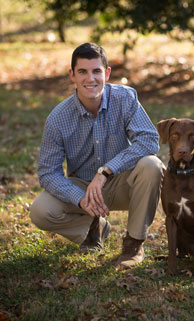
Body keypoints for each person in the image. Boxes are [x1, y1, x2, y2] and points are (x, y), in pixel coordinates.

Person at [30, 43, 164, 270]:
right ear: (72, 74)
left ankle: (133, 244)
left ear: (107, 73)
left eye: (96, 71)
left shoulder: (125, 98)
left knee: (153, 165)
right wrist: (79, 197)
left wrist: (106, 170)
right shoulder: (58, 118)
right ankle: (92, 228)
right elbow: (47, 173)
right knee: (40, 210)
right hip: (84, 190)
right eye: (82, 71)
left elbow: (149, 140)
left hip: (122, 183)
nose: (90, 79)